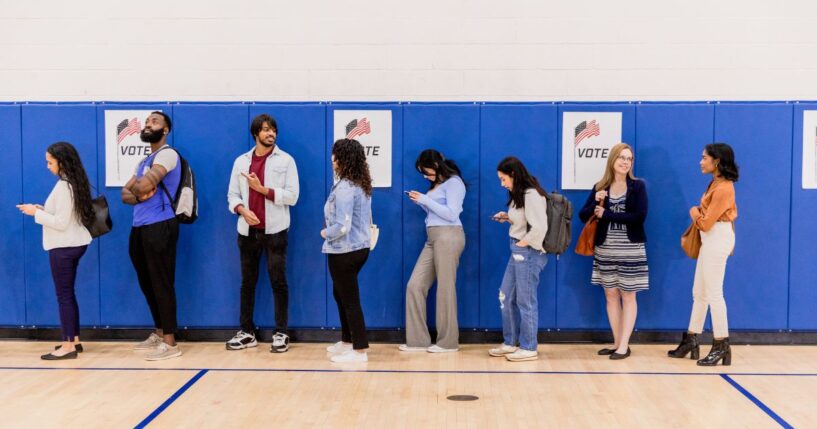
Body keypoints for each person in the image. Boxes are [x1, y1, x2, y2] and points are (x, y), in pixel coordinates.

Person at [226, 114, 300, 353]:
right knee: (247, 283)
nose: (271, 134)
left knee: (278, 282)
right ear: (256, 133)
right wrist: (241, 210)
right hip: (247, 232)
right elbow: (232, 195)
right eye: (266, 130)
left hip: (275, 231)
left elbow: (292, 196)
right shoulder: (241, 162)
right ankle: (247, 332)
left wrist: (263, 189)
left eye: (273, 130)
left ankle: (281, 332)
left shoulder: (286, 161)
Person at [18, 142, 94, 360]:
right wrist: (41, 209)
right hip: (74, 243)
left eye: (50, 162)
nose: (48, 166)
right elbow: (65, 215)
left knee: (64, 296)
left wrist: (35, 213)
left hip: (64, 246)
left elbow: (60, 223)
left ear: (62, 162)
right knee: (68, 294)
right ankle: (75, 339)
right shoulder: (73, 184)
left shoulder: (65, 186)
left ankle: (67, 346)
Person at [668, 143, 739, 366]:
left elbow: (706, 223)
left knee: (714, 293)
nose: (700, 161)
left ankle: (721, 344)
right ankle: (691, 339)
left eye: (704, 158)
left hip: (716, 237)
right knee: (699, 292)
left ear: (716, 161)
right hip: (715, 238)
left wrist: (693, 212)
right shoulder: (716, 183)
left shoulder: (723, 187)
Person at [121, 111, 183, 361]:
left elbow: (143, 186)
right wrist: (138, 191)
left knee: (161, 282)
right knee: (147, 283)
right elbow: (126, 194)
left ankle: (170, 343)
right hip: (140, 226)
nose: (148, 125)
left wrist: (140, 188)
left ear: (165, 130)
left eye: (154, 122)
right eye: (147, 122)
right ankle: (159, 332)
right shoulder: (145, 160)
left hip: (160, 225)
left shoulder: (168, 154)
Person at [578, 143, 649, 360]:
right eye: (622, 158)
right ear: (613, 160)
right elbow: (584, 216)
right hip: (606, 249)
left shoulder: (638, 186)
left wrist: (606, 214)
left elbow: (639, 216)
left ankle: (624, 345)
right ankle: (617, 342)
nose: (626, 162)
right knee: (610, 295)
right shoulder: (601, 186)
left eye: (629, 159)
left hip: (630, 249)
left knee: (628, 295)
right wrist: (595, 204)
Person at [401, 149, 466, 353]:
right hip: (433, 237)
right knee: (415, 285)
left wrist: (425, 200)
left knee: (446, 288)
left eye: (426, 172)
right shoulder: (437, 185)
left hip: (449, 235)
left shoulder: (454, 183)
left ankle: (448, 343)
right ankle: (418, 341)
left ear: (437, 165)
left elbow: (452, 213)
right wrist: (423, 202)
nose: (425, 176)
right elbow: (435, 214)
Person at [488, 157, 549, 362]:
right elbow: (524, 221)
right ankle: (510, 342)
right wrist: (507, 217)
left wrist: (523, 244)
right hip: (518, 250)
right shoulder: (519, 194)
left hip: (528, 252)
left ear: (513, 174)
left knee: (525, 300)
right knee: (505, 296)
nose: (502, 183)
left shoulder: (531, 194)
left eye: (503, 179)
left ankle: (529, 346)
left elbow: (540, 227)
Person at [322, 139, 373, 363]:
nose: (332, 160)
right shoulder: (358, 184)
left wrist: (325, 233)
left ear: (342, 159)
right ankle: (347, 340)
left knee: (349, 299)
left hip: (344, 250)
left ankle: (359, 350)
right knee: (340, 294)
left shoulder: (345, 188)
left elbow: (342, 226)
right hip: (356, 247)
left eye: (335, 156)